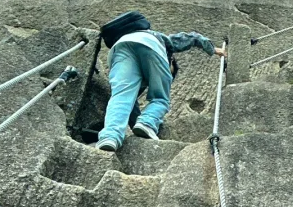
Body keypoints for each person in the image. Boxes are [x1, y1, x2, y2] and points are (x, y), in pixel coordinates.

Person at [95, 12, 225, 152]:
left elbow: (131, 105)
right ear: (171, 62)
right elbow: (192, 37)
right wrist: (214, 49)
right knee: (160, 98)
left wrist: (137, 128)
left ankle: (110, 136)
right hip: (150, 45)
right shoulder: (163, 41)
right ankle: (147, 122)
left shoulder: (132, 47)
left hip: (120, 49)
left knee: (121, 97)